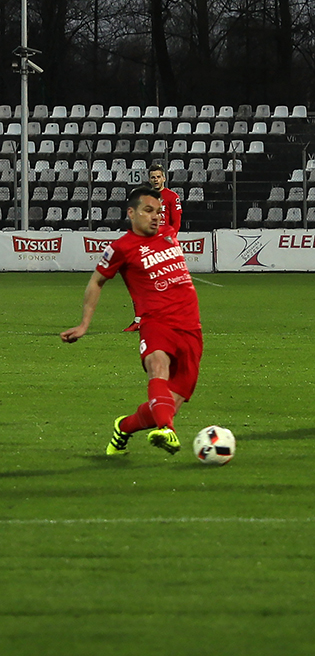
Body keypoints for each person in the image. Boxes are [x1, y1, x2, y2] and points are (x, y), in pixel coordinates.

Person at [60, 186, 203, 456]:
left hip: (191, 327)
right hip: (156, 322)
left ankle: (123, 427)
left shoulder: (169, 233)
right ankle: (167, 430)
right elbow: (96, 281)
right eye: (148, 210)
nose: (156, 216)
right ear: (131, 213)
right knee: (157, 365)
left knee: (168, 404)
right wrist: (84, 324)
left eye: (158, 211)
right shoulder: (121, 248)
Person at [124, 163, 182, 332]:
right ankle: (139, 319)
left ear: (164, 178)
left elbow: (176, 222)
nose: (156, 180)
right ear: (149, 179)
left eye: (158, 177)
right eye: (153, 177)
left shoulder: (172, 197)